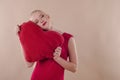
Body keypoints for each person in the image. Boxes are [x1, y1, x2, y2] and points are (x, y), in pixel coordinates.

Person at [17, 10, 78, 80]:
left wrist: (57, 58)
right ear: (35, 27)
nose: (41, 20)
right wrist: (21, 38)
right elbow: (29, 64)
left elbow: (74, 68)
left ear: (48, 16)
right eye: (36, 22)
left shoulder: (68, 38)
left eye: (42, 16)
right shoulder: (38, 41)